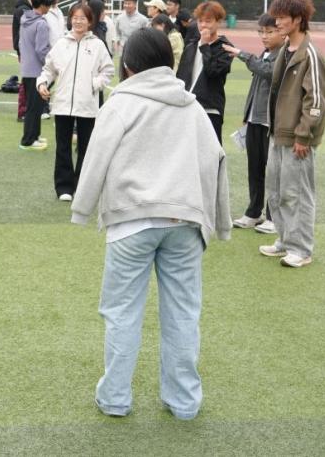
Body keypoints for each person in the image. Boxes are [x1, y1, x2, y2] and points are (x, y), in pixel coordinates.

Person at [71, 28, 231, 421]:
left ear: (128, 64)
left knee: (122, 312)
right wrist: (221, 222)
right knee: (183, 313)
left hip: (131, 221)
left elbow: (95, 158)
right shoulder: (191, 106)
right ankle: (184, 401)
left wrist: (82, 208)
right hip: (185, 220)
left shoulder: (120, 104)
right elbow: (216, 160)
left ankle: (114, 397)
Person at [258, 0, 325, 269]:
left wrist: (303, 135)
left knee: (297, 192)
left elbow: (316, 100)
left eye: (282, 18)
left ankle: (301, 248)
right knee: (276, 190)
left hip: (297, 137)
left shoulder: (310, 54)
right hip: (278, 133)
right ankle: (286, 240)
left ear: (298, 19)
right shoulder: (286, 48)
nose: (277, 22)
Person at [37, 2, 113, 201]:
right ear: (70, 20)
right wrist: (42, 83)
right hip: (62, 104)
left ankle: (81, 187)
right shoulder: (61, 44)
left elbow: (108, 71)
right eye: (75, 18)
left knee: (86, 148)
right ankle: (64, 187)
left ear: (90, 21)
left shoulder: (97, 45)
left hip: (87, 105)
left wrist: (94, 84)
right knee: (62, 147)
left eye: (82, 18)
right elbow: (49, 69)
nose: (78, 22)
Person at [222, 13, 282, 232]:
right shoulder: (265, 54)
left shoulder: (283, 55)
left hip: (270, 122)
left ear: (282, 32)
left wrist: (242, 54)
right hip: (255, 120)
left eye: (269, 32)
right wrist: (247, 115)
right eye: (261, 32)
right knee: (254, 168)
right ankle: (254, 212)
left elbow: (268, 72)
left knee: (272, 171)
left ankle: (274, 216)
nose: (264, 36)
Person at [175, 1, 234, 144]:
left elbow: (212, 71)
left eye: (208, 21)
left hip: (210, 110)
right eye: (200, 21)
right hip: (188, 107)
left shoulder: (225, 48)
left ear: (218, 22)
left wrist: (205, 46)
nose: (203, 25)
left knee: (210, 151)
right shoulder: (191, 46)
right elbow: (181, 76)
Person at [19, 0, 54, 151]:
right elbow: (41, 50)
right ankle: (28, 140)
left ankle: (35, 136)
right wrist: (51, 64)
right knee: (34, 107)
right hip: (37, 71)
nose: (50, 8)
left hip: (26, 69)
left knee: (34, 106)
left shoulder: (25, 18)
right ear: (44, 5)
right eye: (49, 5)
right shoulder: (41, 23)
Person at [12, 0, 41, 122]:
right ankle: (23, 111)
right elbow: (22, 33)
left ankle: (27, 111)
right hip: (26, 50)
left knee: (28, 81)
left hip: (25, 49)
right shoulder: (23, 10)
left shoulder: (26, 8)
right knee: (27, 82)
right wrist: (20, 51)